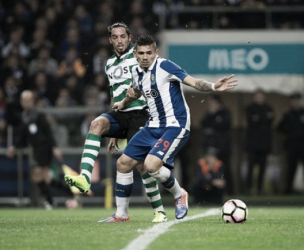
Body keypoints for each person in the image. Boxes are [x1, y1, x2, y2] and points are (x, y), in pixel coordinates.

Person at [99, 35, 238, 222]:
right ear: (135, 54)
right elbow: (137, 91)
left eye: (149, 52)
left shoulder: (165, 66)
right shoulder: (136, 72)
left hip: (175, 125)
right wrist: (124, 102)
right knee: (123, 164)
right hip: (153, 125)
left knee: (151, 166)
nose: (145, 56)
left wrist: (213, 86)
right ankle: (121, 215)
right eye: (141, 53)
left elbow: (194, 82)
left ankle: (180, 194)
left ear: (156, 52)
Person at [64, 22, 167, 223]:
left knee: (142, 166)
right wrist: (113, 132)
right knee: (96, 124)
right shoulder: (109, 63)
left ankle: (159, 210)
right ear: (110, 40)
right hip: (122, 114)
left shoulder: (139, 56)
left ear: (129, 37)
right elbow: (115, 94)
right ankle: (85, 178)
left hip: (141, 114)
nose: (119, 40)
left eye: (122, 36)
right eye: (115, 37)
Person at [6, 90, 63, 209]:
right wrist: (14, 147)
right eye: (24, 101)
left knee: (37, 176)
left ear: (33, 101)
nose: (26, 103)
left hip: (44, 148)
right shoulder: (24, 117)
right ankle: (68, 194)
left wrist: (54, 147)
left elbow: (48, 133)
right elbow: (22, 137)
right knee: (46, 179)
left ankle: (50, 202)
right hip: (37, 150)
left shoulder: (39, 116)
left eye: (28, 100)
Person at [277, 93, 304, 194]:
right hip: (291, 144)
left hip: (303, 143)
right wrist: (289, 133)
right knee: (291, 167)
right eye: (294, 100)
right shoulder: (288, 114)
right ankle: (288, 189)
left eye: (297, 100)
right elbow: (279, 127)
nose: (296, 103)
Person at [201, 94, 233, 195]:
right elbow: (203, 124)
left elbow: (224, 126)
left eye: (212, 102)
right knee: (210, 170)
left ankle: (230, 190)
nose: (210, 104)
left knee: (225, 168)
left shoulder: (225, 113)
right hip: (210, 147)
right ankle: (211, 192)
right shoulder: (207, 114)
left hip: (222, 147)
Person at [245, 90, 274, 195]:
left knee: (263, 167)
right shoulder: (250, 108)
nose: (259, 99)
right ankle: (248, 188)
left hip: (264, 144)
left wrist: (258, 118)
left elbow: (270, 120)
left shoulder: (269, 107)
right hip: (252, 144)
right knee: (251, 167)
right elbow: (251, 120)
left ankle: (260, 188)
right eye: (257, 97)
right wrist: (264, 118)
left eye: (261, 97)